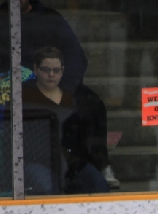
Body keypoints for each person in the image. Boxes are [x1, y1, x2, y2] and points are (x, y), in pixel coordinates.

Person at [22, 46, 107, 195]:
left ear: (62, 71)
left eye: (56, 70)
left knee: (99, 185)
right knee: (48, 187)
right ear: (35, 70)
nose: (51, 74)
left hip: (72, 162)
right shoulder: (25, 97)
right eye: (45, 70)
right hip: (38, 161)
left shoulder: (74, 96)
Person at [0, 0, 88, 94]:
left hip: (47, 96)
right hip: (3, 96)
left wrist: (62, 91)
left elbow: (75, 57)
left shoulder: (51, 19)